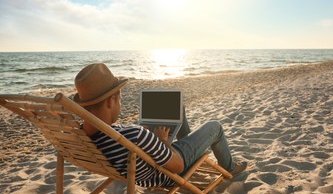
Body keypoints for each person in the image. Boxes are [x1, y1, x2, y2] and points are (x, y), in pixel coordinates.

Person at [73, 63, 247, 187]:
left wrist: (153, 140)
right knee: (214, 126)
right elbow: (177, 167)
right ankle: (230, 167)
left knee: (177, 108)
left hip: (140, 161)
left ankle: (187, 143)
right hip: (169, 172)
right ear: (111, 100)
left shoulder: (81, 135)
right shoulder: (137, 135)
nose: (120, 104)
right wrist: (162, 142)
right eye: (120, 99)